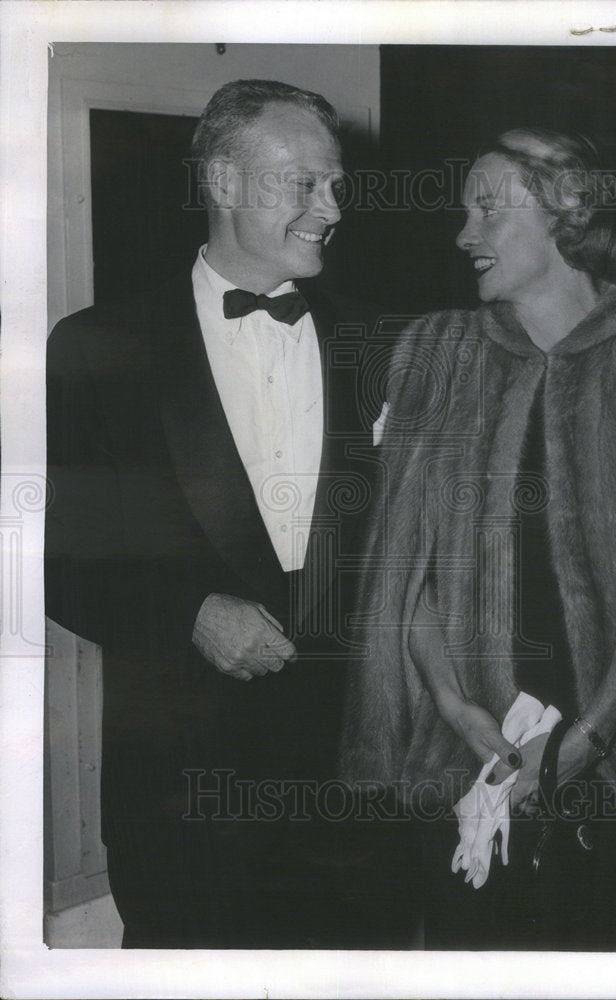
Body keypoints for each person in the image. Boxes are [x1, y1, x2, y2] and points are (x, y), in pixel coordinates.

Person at [340, 128, 616, 950]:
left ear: (568, 212)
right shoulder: (433, 351)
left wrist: (588, 740)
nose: (463, 233)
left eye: (489, 208)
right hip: (465, 755)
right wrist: (451, 706)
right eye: (464, 210)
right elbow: (405, 569)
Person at [46, 79, 412, 949]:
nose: (331, 207)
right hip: (184, 791)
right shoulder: (99, 348)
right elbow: (56, 557)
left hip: (354, 793)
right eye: (304, 183)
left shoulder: (386, 345)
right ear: (222, 182)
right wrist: (191, 613)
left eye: (335, 184)